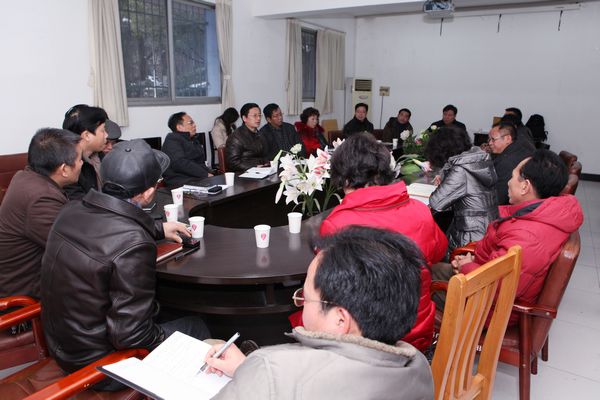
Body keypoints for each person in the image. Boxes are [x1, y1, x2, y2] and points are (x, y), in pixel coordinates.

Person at [40, 140, 209, 388]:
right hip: (99, 366)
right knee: (198, 325)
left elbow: (107, 225)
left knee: (167, 313)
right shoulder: (134, 243)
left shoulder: (70, 210)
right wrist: (171, 342)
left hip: (63, 346)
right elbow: (131, 335)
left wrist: (158, 228)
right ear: (148, 193)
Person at [205, 227, 434, 400]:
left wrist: (260, 375)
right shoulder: (419, 367)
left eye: (305, 298)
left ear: (340, 319)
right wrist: (251, 373)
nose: (301, 304)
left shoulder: (270, 368)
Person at [319, 133, 448, 352]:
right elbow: (438, 252)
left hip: (369, 341)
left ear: (345, 178)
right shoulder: (420, 210)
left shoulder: (337, 224)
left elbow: (331, 288)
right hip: (418, 331)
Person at [432, 150, 583, 325]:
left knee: (415, 284)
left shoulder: (527, 237)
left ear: (525, 186)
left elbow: (498, 288)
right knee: (426, 269)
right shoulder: (542, 214)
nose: (508, 182)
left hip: (487, 308)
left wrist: (466, 266)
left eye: (513, 177)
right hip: (481, 276)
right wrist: (472, 260)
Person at [0, 128, 82, 298]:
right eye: (80, 159)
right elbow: (76, 250)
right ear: (64, 169)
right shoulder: (41, 199)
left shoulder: (25, 176)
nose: (82, 163)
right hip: (27, 297)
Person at [425, 127, 499, 251]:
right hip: (486, 228)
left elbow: (436, 202)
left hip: (471, 237)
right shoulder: (478, 160)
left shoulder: (461, 169)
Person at [62, 104, 109, 200]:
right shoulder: (69, 167)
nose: (106, 135)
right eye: (103, 131)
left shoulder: (100, 155)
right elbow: (80, 203)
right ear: (87, 135)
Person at [488, 121, 535, 205]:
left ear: (507, 139)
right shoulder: (519, 147)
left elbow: (499, 198)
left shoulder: (508, 162)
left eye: (493, 139)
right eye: (489, 139)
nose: (490, 143)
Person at [162, 112, 213, 187]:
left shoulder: (192, 139)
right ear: (179, 127)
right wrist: (205, 174)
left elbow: (200, 162)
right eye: (191, 123)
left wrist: (209, 172)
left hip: (196, 178)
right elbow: (180, 163)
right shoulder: (172, 139)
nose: (194, 125)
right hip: (181, 182)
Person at [225, 103, 269, 171]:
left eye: (260, 115)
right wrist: (254, 168)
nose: (258, 118)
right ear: (244, 118)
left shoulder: (260, 134)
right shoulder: (236, 137)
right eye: (254, 115)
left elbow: (265, 155)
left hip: (261, 171)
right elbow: (233, 163)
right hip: (244, 173)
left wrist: (267, 164)